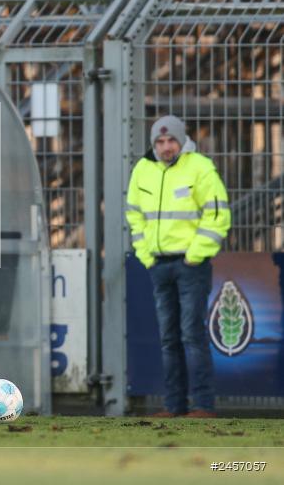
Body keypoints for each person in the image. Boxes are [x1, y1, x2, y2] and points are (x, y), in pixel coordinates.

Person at [126, 115, 231, 419]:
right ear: (153, 144)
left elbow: (218, 216)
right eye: (159, 142)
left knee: (192, 336)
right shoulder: (142, 170)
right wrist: (147, 256)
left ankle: (203, 406)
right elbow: (134, 215)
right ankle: (174, 406)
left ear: (182, 140)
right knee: (169, 339)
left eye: (171, 140)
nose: (166, 147)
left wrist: (194, 255)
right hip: (159, 265)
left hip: (191, 266)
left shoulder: (200, 167)